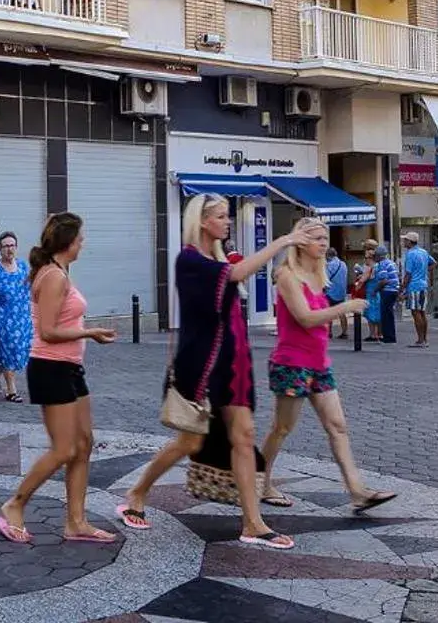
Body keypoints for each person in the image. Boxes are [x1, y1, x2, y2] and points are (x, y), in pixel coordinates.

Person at [117, 195, 326, 549]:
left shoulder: (218, 259)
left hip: (233, 364)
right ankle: (137, 492)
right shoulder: (190, 260)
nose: (228, 222)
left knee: (244, 436)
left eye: (228, 215)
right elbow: (237, 274)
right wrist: (284, 240)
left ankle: (253, 524)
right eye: (221, 216)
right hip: (200, 366)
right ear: (202, 221)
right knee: (190, 441)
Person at [0, 213, 119, 545]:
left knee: (84, 443)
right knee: (64, 449)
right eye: (80, 238)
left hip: (70, 367)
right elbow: (47, 332)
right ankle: (15, 504)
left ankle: (76, 522)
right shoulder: (52, 276)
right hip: (50, 368)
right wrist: (90, 332)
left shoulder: (59, 271)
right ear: (68, 242)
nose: (83, 243)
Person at [257, 220, 395, 513]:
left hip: (319, 364)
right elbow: (305, 318)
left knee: (338, 427)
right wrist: (345, 307)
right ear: (301, 242)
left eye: (325, 238)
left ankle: (357, 491)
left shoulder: (317, 275)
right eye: (317, 238)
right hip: (292, 364)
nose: (323, 243)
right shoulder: (287, 275)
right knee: (281, 428)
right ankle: (260, 482)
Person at [0, 231, 32, 402]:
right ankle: (11, 390)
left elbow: (30, 287)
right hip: (4, 317)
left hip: (23, 316)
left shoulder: (23, 266)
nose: (9, 249)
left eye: (12, 245)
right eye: (5, 246)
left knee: (20, 351)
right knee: (10, 350)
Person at [400, 232, 433, 347]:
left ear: (410, 242)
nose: (404, 242)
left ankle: (420, 340)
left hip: (414, 286)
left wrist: (402, 288)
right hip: (423, 285)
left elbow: (408, 274)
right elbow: (434, 263)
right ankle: (425, 339)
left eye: (405, 240)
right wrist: (423, 272)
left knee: (415, 312)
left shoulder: (410, 254)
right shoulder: (424, 252)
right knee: (422, 312)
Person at [368, 243, 400, 346]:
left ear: (379, 256)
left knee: (386, 315)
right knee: (389, 314)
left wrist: (375, 290)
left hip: (387, 291)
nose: (374, 257)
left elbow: (384, 280)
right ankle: (390, 337)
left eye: (375, 255)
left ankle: (388, 338)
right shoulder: (391, 263)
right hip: (394, 290)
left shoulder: (382, 264)